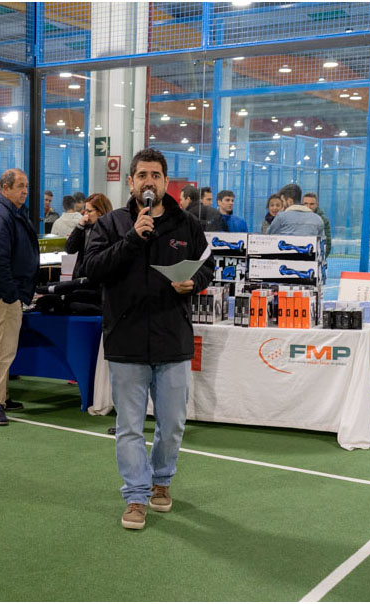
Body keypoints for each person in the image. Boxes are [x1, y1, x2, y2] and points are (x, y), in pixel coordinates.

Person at [82, 148, 214, 531]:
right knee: (129, 427)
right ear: (130, 182)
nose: (149, 181)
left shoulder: (187, 225)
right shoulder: (111, 224)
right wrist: (132, 239)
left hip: (172, 339)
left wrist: (195, 282)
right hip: (126, 341)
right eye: (142, 175)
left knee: (172, 425)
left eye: (155, 175)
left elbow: (207, 265)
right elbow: (93, 268)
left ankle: (161, 480)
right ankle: (136, 496)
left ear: (165, 181)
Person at [0, 168, 39, 426]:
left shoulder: (11, 213)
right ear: (6, 188)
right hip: (3, 292)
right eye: (20, 186)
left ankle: (2, 395)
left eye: (26, 186)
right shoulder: (1, 216)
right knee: (1, 349)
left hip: (8, 290)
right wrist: (11, 293)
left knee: (5, 348)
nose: (25, 191)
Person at [65, 193, 112, 280]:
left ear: (100, 212)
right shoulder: (85, 228)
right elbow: (69, 249)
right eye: (85, 211)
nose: (85, 215)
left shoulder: (110, 230)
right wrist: (79, 226)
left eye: (89, 211)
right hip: (81, 277)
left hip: (99, 279)